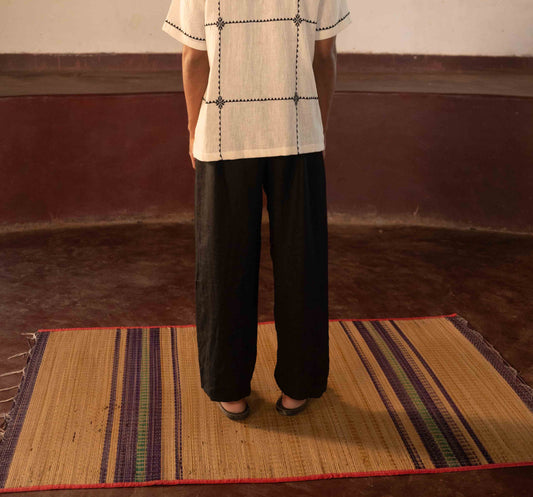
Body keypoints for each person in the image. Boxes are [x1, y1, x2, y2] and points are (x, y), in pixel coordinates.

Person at [162, 0, 352, 420]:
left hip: (224, 133)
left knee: (223, 262)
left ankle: (229, 388)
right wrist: (315, 124)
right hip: (297, 131)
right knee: (302, 261)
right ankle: (298, 387)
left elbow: (195, 58)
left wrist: (195, 127)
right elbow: (326, 56)